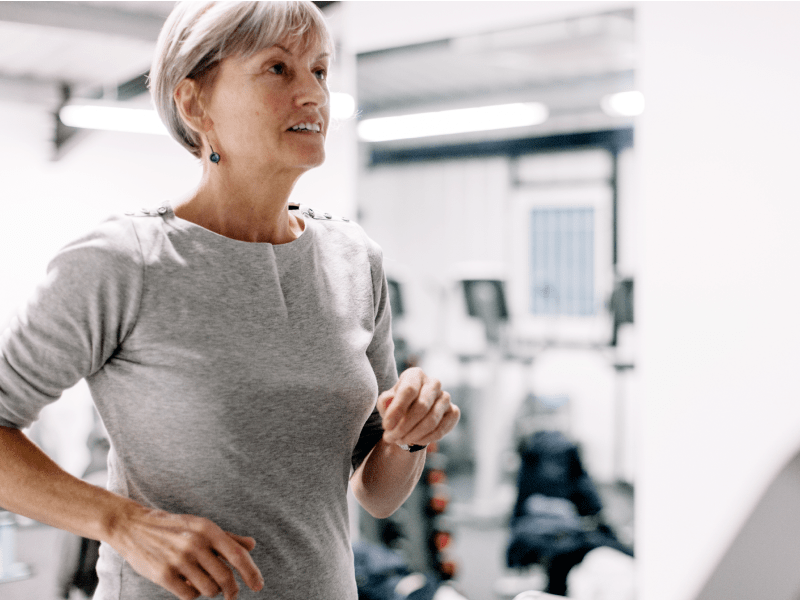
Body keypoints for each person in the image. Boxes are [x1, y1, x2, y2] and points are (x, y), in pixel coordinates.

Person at [0, 2, 460, 599]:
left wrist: (409, 436)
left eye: (320, 71)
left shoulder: (355, 260)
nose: (313, 95)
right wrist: (122, 523)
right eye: (278, 69)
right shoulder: (124, 260)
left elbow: (377, 493)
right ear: (195, 103)